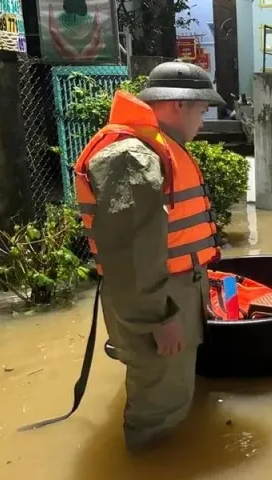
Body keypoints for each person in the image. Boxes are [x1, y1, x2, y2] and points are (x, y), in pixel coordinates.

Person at [73, 60, 225, 451]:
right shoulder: (131, 156)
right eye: (202, 111)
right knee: (159, 412)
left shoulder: (148, 148)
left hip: (168, 294)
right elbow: (132, 254)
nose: (203, 122)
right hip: (157, 300)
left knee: (171, 393)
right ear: (177, 105)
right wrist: (159, 317)